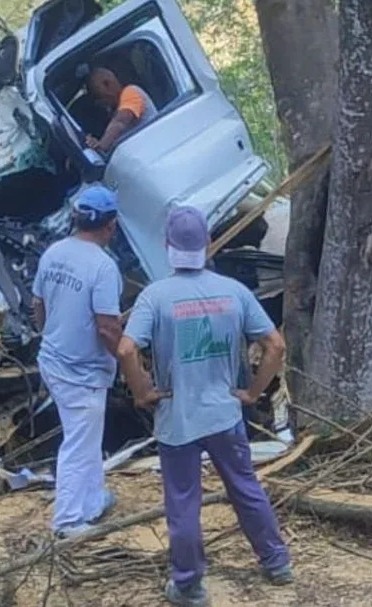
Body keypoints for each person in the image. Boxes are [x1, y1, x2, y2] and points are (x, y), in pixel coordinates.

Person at [118, 206, 291, 606]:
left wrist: (142, 391)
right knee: (245, 487)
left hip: (178, 418)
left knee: (183, 502)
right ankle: (277, 561)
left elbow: (127, 349)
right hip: (225, 414)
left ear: (167, 247)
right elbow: (276, 345)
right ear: (207, 244)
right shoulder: (234, 292)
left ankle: (190, 585)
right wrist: (252, 392)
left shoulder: (155, 296)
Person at [32, 184, 124, 537]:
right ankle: (68, 520)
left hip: (53, 360)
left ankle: (92, 501)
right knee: (78, 442)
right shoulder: (103, 267)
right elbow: (107, 327)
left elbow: (37, 305)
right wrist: (129, 361)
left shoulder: (53, 253)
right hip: (81, 371)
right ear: (111, 225)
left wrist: (50, 332)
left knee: (86, 436)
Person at [84, 67, 157, 153]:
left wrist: (101, 146)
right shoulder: (115, 110)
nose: (98, 102)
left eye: (97, 95)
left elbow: (120, 122)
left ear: (107, 84)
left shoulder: (131, 92)